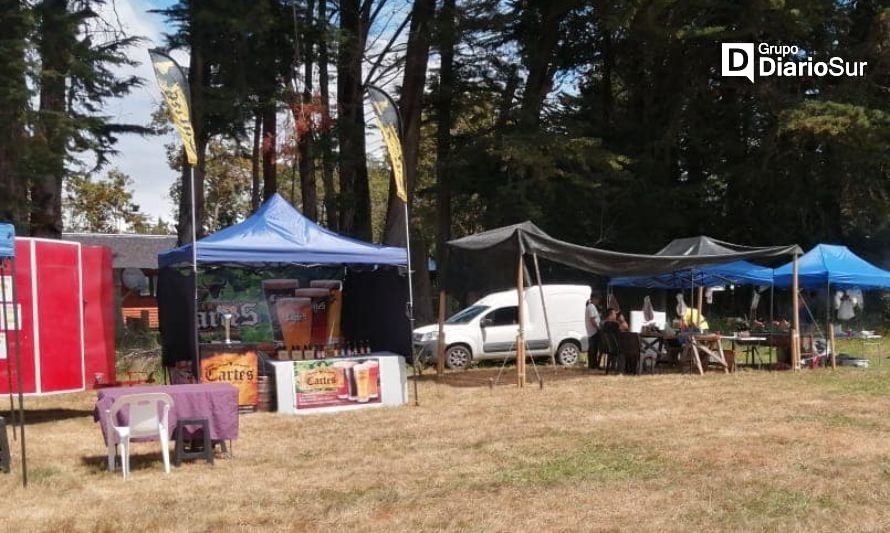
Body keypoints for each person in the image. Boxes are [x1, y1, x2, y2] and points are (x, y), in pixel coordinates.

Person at [586, 292, 602, 370]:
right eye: (598, 299)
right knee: (593, 349)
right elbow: (592, 320)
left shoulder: (590, 306)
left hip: (592, 331)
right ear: (594, 299)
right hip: (593, 331)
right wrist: (598, 328)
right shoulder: (591, 306)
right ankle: (593, 365)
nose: (598, 301)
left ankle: (592, 365)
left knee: (593, 349)